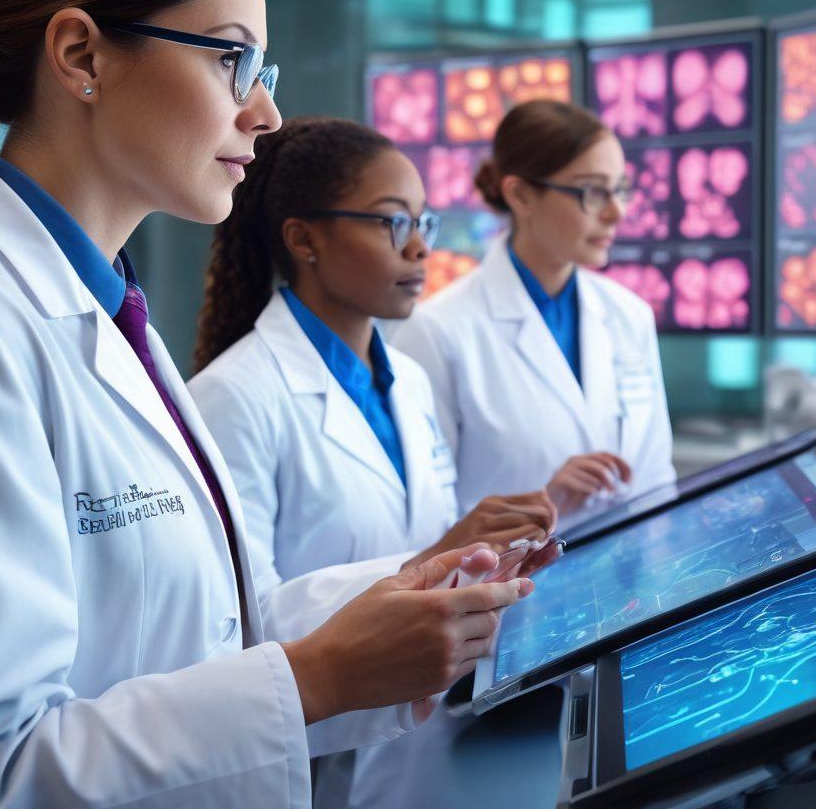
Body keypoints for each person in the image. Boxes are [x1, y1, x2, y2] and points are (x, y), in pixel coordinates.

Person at [0, 0, 532, 808]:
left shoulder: (111, 315)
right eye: (231, 59)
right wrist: (318, 678)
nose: (266, 113)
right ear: (81, 55)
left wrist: (412, 592)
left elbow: (211, 629)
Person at [188, 116, 559, 807]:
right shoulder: (233, 397)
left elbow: (422, 545)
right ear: (304, 239)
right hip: (310, 763)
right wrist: (436, 556)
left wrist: (488, 566)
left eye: (424, 222)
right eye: (393, 223)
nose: (420, 247)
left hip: (423, 748)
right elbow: (237, 628)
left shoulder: (407, 382)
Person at [393, 99, 675, 525]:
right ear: (521, 194)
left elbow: (657, 481)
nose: (616, 211)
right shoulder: (437, 332)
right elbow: (426, 521)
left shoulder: (629, 316)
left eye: (620, 189)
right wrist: (540, 505)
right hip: (513, 571)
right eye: (592, 192)